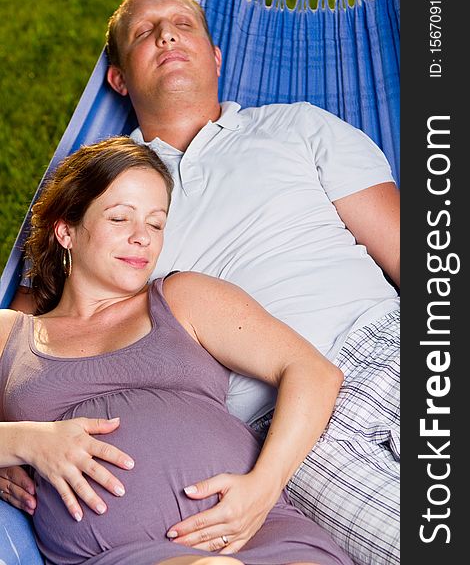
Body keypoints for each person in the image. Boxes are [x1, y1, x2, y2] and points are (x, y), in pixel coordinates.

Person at [3, 0, 400, 565]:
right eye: (144, 33)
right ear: (118, 78)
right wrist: (15, 443)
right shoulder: (111, 186)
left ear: (216, 56)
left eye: (183, 24)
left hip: (390, 339)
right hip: (290, 426)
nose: (166, 36)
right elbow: (38, 335)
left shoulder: (299, 126)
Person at [0, 136, 350, 565]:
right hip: (124, 554)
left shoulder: (183, 298)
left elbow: (313, 371)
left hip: (258, 532)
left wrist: (263, 487)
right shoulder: (11, 334)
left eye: (155, 223)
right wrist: (25, 441)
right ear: (66, 230)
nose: (141, 238)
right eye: (120, 218)